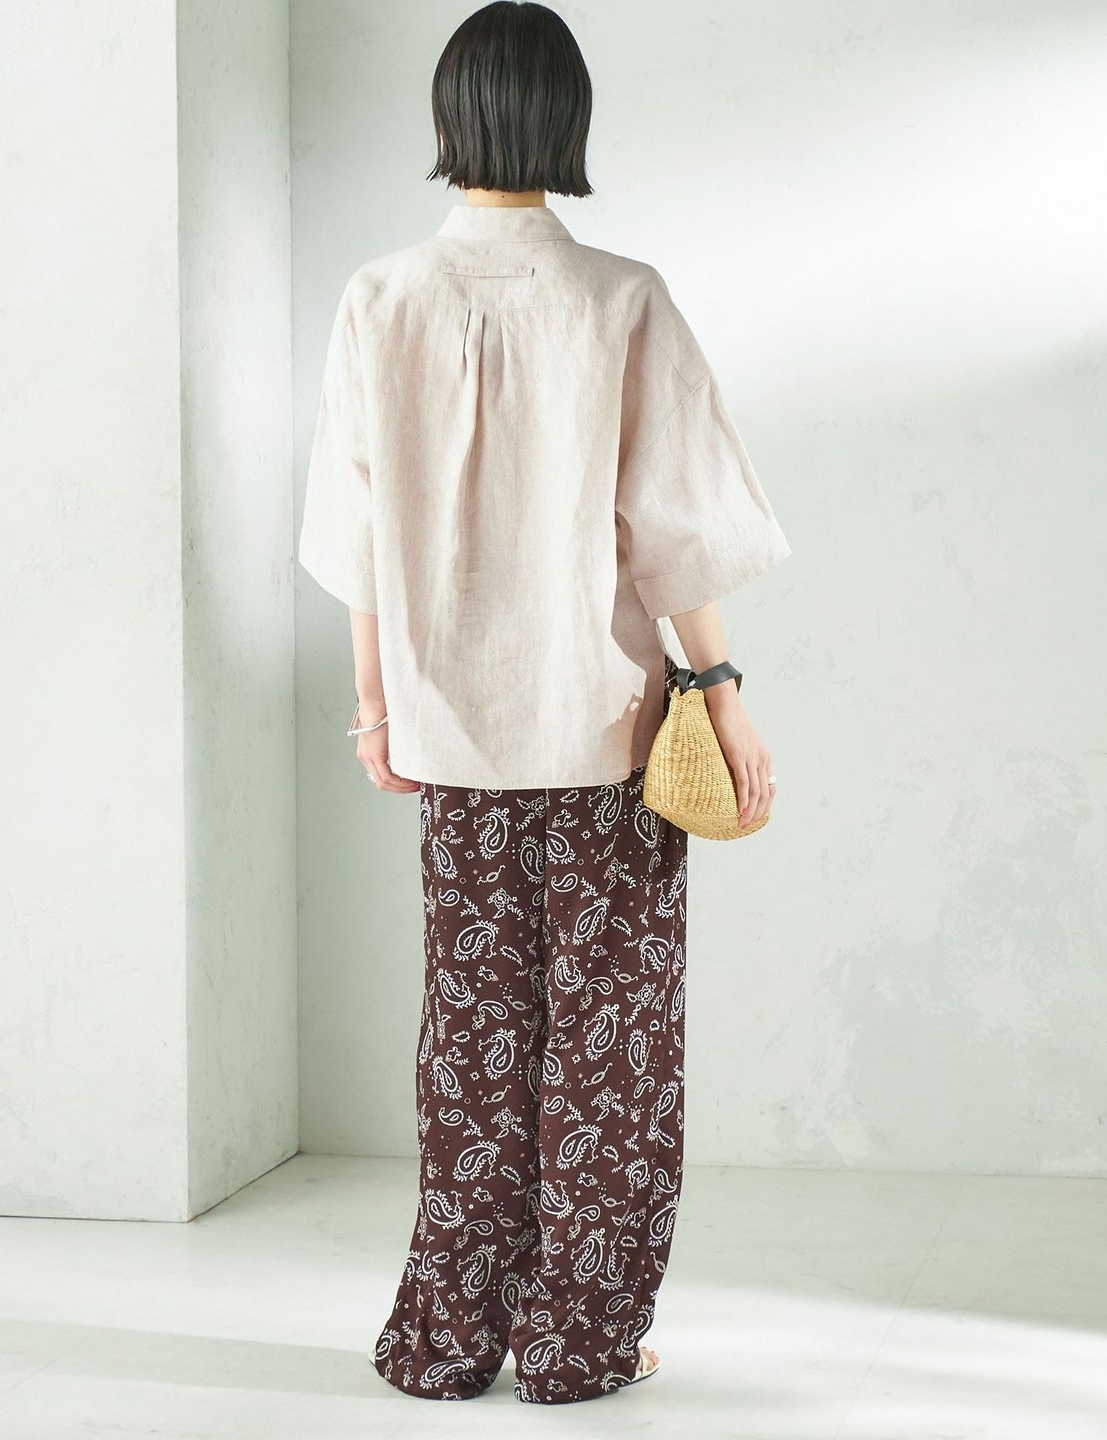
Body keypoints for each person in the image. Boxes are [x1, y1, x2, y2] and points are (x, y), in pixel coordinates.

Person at [297, 0, 792, 1407]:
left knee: (473, 1043)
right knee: (609, 1052)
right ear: (568, 120)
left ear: (448, 118)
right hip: (610, 736)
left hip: (454, 740)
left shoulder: (379, 297)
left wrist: (376, 709)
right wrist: (723, 694)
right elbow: (676, 531)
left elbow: (354, 533)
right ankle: (579, 1343)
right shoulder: (621, 298)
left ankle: (445, 1341)